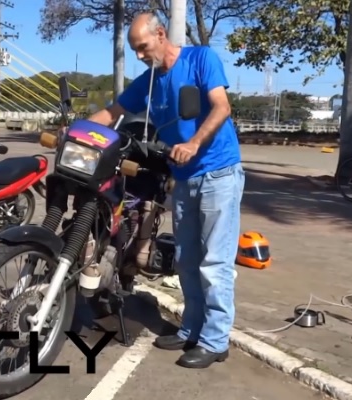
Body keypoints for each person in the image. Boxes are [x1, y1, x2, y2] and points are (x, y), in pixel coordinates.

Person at [83, 12, 244, 369]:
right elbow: (114, 112)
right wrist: (76, 132)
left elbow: (221, 106)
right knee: (186, 259)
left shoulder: (201, 59)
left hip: (218, 173)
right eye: (135, 50)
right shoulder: (149, 82)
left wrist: (194, 143)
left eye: (143, 48)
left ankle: (215, 341)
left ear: (159, 34)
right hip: (184, 178)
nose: (140, 56)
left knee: (214, 263)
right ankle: (191, 329)